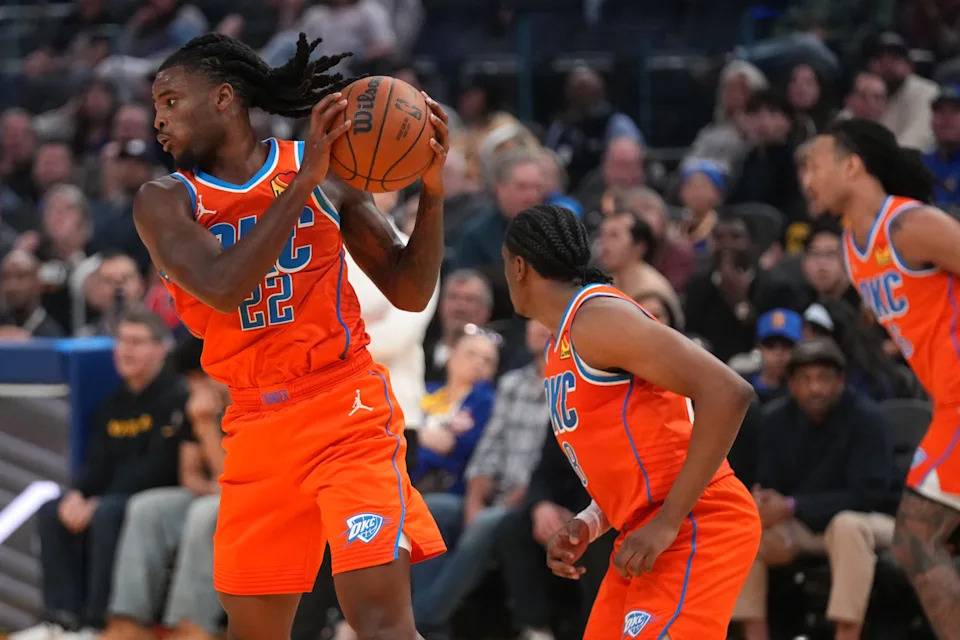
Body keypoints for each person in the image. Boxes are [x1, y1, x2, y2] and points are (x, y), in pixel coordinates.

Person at [133, 32, 450, 640]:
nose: (158, 121)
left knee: (382, 623)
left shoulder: (327, 172)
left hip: (346, 409)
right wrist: (303, 181)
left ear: (224, 98)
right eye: (155, 108)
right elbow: (222, 286)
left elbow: (409, 290)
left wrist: (432, 191)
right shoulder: (165, 201)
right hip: (254, 424)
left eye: (170, 102)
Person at [500, 203, 760, 638]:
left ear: (520, 266)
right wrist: (590, 521)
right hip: (644, 530)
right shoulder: (560, 345)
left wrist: (669, 521)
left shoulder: (597, 318)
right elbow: (642, 452)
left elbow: (729, 392)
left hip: (698, 519)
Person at [800, 116, 960, 637]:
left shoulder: (909, 226)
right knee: (924, 541)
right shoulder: (852, 246)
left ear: (852, 166)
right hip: (946, 404)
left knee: (915, 537)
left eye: (815, 165)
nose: (807, 178)